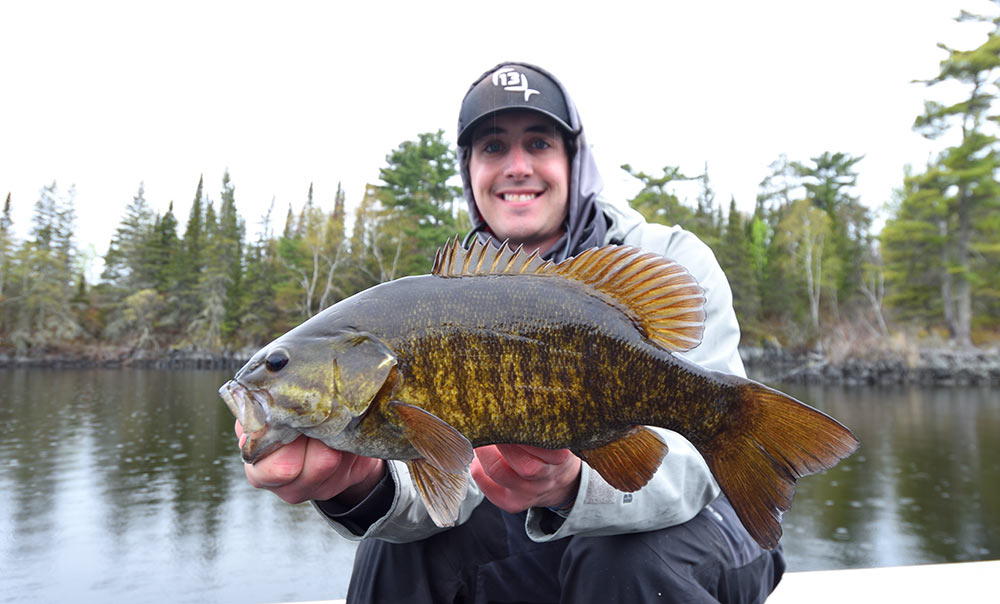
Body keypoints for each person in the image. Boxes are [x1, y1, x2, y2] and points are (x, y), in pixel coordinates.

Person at [237, 62, 785, 603]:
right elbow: (457, 485)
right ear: (469, 170)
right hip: (539, 523)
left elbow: (691, 471)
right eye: (493, 147)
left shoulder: (665, 256)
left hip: (709, 523)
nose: (517, 166)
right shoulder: (426, 301)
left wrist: (574, 482)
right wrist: (362, 485)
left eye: (540, 143)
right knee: (394, 553)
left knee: (623, 559)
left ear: (574, 158)